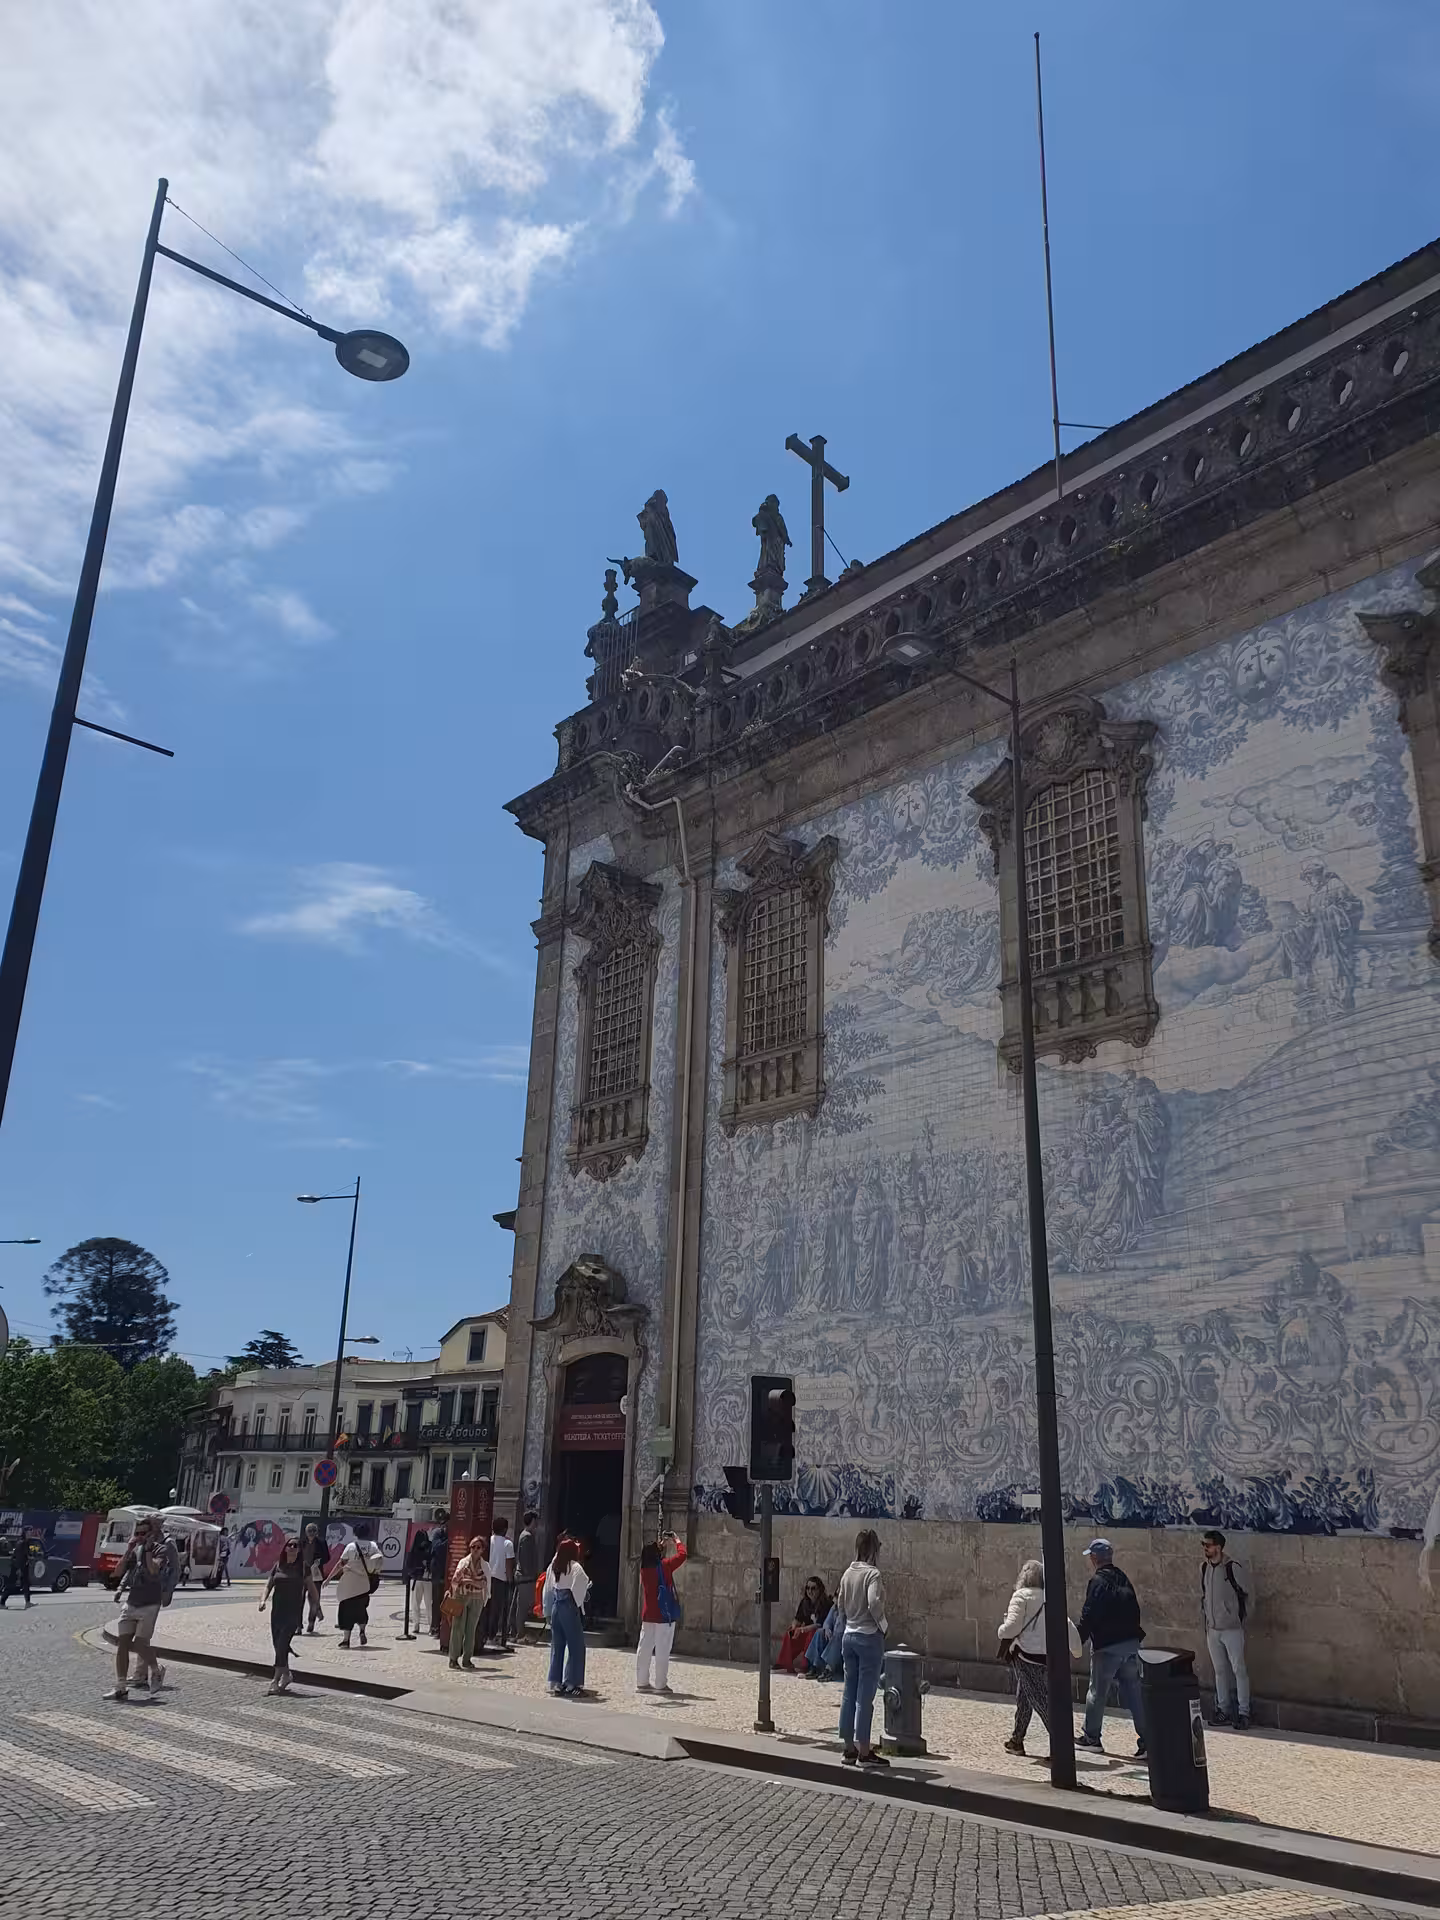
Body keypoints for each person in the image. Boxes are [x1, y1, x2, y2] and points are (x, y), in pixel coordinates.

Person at [997, 1557, 1081, 1756]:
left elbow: (1011, 1628)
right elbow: (1067, 1625)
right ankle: (1017, 1740)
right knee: (1025, 1696)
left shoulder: (1021, 1596)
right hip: (1046, 1656)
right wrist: (1076, 1650)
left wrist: (1001, 1630)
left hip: (1025, 1655)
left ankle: (1061, 1744)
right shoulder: (1050, 1597)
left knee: (1038, 1698)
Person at [1075, 1538, 1146, 1756]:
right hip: (1131, 1644)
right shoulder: (1122, 1577)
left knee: (1097, 1692)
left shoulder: (1097, 1581)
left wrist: (1077, 1639)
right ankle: (1149, 1741)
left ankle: (1092, 1737)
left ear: (1094, 1558)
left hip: (1107, 1646)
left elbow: (1090, 1613)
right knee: (1135, 1694)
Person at [837, 1528, 888, 1768]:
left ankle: (848, 1748)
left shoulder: (848, 1573)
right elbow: (874, 1602)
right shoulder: (873, 1574)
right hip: (868, 1637)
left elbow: (840, 1604)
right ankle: (864, 1751)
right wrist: (883, 1625)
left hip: (849, 1637)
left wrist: (848, 1621)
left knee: (849, 1693)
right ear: (874, 1549)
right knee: (864, 1698)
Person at [108, 1516, 175, 1699]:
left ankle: (156, 1669)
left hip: (150, 1604)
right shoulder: (134, 1550)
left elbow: (154, 1570)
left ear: (151, 1534)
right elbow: (118, 1572)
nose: (139, 1537)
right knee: (122, 1643)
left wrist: (147, 1550)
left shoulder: (161, 1550)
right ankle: (120, 1686)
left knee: (140, 1643)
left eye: (143, 1534)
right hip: (132, 1602)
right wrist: (129, 1550)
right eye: (137, 1533)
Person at [1200, 1529, 1253, 1729]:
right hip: (1213, 1629)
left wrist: (1239, 1619)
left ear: (1219, 1547)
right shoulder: (1204, 1568)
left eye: (1209, 1545)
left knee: (1239, 1670)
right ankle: (1223, 1709)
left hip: (1231, 1628)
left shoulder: (1232, 1568)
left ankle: (1244, 1712)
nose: (1205, 1548)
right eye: (1204, 1544)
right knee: (1220, 1671)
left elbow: (1248, 1595)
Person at [636, 1531, 688, 1694]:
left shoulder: (644, 1569)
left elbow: (651, 1555)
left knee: (644, 1648)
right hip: (664, 1615)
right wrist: (676, 1541)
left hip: (648, 1614)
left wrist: (659, 1546)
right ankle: (660, 1684)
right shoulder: (664, 1567)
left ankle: (642, 1681)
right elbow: (682, 1555)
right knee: (662, 1650)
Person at [543, 1537, 591, 1697]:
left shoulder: (554, 1564)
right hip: (568, 1606)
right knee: (576, 1645)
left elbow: (547, 1588)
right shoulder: (575, 1566)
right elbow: (581, 1583)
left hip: (556, 1604)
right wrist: (580, 1601)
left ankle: (555, 1682)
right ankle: (572, 1682)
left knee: (557, 1645)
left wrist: (547, 1610)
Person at [260, 1536, 307, 1693]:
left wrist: (317, 1607)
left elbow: (312, 1588)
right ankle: (286, 1675)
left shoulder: (303, 1567)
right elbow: (269, 1584)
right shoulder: (278, 1565)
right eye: (290, 1545)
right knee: (278, 1645)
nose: (292, 1547)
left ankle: (275, 1680)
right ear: (285, 1548)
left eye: (296, 1545)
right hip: (277, 1611)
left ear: (299, 1550)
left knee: (282, 1644)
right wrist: (263, 1600)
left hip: (293, 1612)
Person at [326, 1526, 382, 1649]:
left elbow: (340, 1564)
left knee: (346, 1609)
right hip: (365, 1582)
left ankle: (346, 1640)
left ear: (355, 1533)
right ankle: (362, 1630)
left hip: (350, 1583)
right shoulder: (373, 1546)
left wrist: (329, 1578)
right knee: (361, 1607)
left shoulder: (351, 1546)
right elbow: (379, 1561)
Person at [446, 1534, 489, 1670]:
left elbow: (484, 1584)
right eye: (472, 1547)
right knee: (458, 1628)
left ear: (483, 1549)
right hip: (461, 1597)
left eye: (478, 1547)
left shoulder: (485, 1566)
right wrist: (473, 1582)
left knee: (471, 1629)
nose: (475, 1549)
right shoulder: (463, 1562)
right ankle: (453, 1659)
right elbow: (455, 1580)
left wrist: (469, 1581)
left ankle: (467, 1659)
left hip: (477, 1599)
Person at [777, 1576, 828, 1673]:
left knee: (812, 1634)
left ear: (819, 1589)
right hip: (805, 1631)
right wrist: (794, 1628)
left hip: (818, 1633)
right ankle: (784, 1664)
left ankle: (806, 1666)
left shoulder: (825, 1603)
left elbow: (819, 1624)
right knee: (790, 1633)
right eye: (808, 1588)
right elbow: (797, 1619)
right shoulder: (805, 1602)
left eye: (813, 1588)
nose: (810, 1591)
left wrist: (802, 1629)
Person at [483, 1518, 516, 1649]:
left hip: (488, 1577)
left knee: (487, 1607)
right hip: (500, 1579)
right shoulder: (508, 1543)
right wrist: (510, 1579)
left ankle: (485, 1634)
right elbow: (509, 1564)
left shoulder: (489, 1540)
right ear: (505, 1529)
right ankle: (492, 1635)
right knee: (496, 1609)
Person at [511, 1509, 541, 1636]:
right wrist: (530, 1573)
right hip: (525, 1577)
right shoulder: (527, 1537)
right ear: (532, 1521)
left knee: (520, 1604)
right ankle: (519, 1632)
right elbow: (525, 1558)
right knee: (523, 1605)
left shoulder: (526, 1535)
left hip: (524, 1575)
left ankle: (516, 1629)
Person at [302, 1524, 329, 1632]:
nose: (311, 1533)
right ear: (306, 1532)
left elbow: (327, 1557)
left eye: (313, 1531)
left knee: (314, 1599)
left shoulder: (321, 1543)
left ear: (316, 1532)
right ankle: (298, 1625)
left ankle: (311, 1622)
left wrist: (319, 1561)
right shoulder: (301, 1542)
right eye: (309, 1531)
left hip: (315, 1573)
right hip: (303, 1574)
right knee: (300, 1600)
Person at [407, 1529, 432, 1632]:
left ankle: (427, 1625)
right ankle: (418, 1625)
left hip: (423, 1578)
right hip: (421, 1579)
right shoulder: (427, 1548)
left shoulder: (420, 1549)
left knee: (425, 1603)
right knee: (420, 1603)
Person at [2, 1528, 32, 1608]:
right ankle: (2, 1602)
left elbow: (26, 1555)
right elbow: (18, 1557)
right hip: (17, 1567)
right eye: (28, 1532)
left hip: (24, 1567)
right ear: (24, 1533)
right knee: (12, 1585)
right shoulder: (21, 1543)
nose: (30, 1534)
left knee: (26, 1584)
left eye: (30, 1532)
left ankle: (28, 1602)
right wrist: (19, 1569)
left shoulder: (26, 1542)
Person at [428, 1520, 449, 1638]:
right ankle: (435, 1627)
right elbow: (437, 1548)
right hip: (437, 1573)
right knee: (437, 1601)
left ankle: (444, 1626)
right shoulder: (438, 1534)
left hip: (448, 1572)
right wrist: (450, 1539)